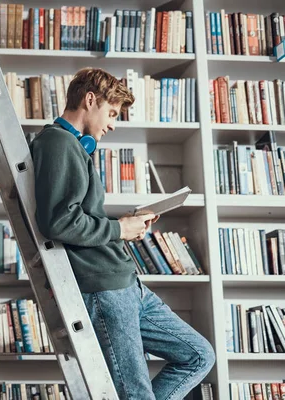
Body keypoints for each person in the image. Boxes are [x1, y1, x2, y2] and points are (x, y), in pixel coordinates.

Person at [29, 67, 215, 399]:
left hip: (126, 284)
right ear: (89, 100)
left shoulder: (75, 146)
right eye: (111, 113)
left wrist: (127, 224)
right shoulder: (58, 143)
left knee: (199, 355)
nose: (113, 123)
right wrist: (119, 228)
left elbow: (81, 217)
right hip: (105, 290)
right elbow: (58, 222)